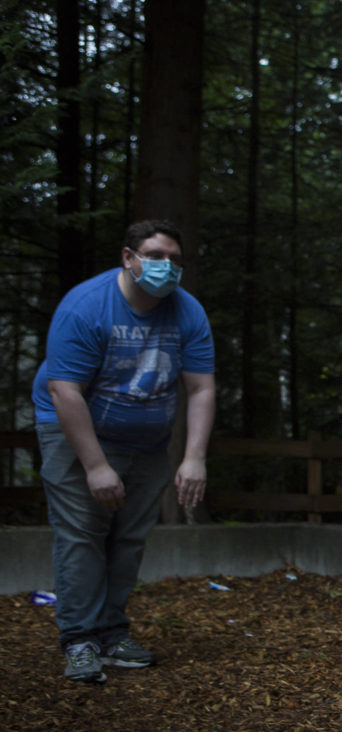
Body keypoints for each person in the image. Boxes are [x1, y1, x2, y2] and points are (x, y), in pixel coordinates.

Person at [32, 219, 216, 684]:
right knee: (82, 535)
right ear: (128, 258)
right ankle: (80, 641)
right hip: (76, 430)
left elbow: (200, 389)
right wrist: (95, 466)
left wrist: (193, 456)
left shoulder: (188, 312)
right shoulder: (87, 307)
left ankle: (112, 634)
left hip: (148, 441)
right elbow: (63, 391)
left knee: (129, 539)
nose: (166, 266)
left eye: (175, 259)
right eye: (155, 256)